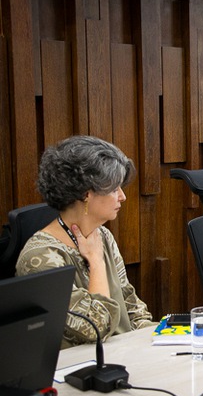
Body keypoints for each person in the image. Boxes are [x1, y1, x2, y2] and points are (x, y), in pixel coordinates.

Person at [16, 136, 154, 349]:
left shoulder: (103, 235)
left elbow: (131, 305)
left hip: (125, 353)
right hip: (83, 364)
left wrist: (159, 339)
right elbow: (95, 328)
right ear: (86, 194)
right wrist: (96, 262)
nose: (122, 196)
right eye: (114, 189)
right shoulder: (39, 258)